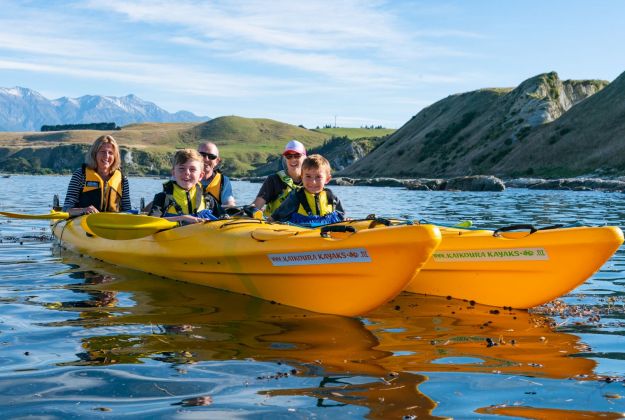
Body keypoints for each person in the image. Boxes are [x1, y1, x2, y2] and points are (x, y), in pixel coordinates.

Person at [63, 135, 131, 216]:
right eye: (102, 152)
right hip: (83, 223)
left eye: (110, 153)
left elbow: (127, 210)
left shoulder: (122, 179)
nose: (106, 156)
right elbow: (66, 209)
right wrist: (85, 210)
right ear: (94, 154)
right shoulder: (80, 174)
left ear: (115, 156)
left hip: (113, 224)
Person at [269, 154, 345, 226]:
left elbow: (341, 216)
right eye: (308, 176)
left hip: (326, 231)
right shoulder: (296, 196)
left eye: (318, 177)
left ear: (327, 179)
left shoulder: (331, 197)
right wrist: (271, 220)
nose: (313, 182)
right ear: (301, 177)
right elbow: (279, 214)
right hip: (301, 232)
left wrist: (346, 221)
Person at [148, 149, 216, 224]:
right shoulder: (162, 198)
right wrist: (182, 218)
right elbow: (152, 222)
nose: (187, 173)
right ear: (173, 173)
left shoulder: (208, 200)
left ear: (200, 175)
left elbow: (224, 219)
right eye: (181, 168)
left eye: (192, 169)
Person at [252, 139, 306, 217]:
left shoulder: (311, 180)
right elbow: (257, 205)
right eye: (289, 156)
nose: (293, 159)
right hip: (274, 225)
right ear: (285, 159)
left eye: (297, 155)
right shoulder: (273, 180)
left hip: (303, 226)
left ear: (305, 157)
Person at [198, 142, 236, 207]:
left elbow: (228, 202)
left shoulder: (223, 181)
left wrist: (231, 206)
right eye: (202, 155)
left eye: (211, 156)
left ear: (217, 161)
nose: (206, 159)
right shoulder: (185, 177)